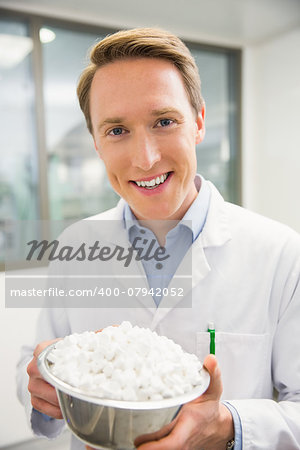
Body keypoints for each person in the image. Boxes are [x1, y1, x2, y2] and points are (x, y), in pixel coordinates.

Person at [17, 27, 300, 450]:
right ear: (95, 141)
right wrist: (38, 390)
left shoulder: (280, 253)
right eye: (116, 130)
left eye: (164, 121)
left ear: (199, 122)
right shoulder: (75, 245)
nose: (145, 158)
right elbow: (38, 363)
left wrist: (225, 426)